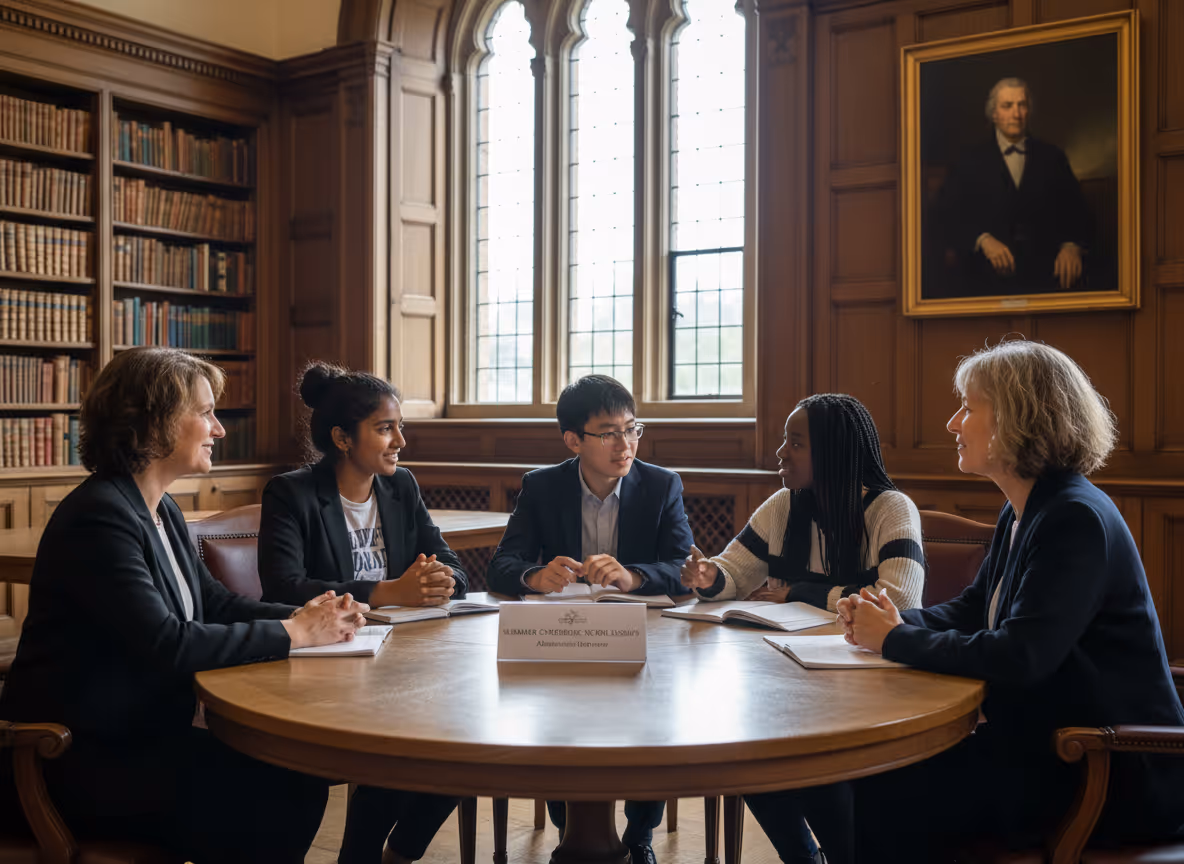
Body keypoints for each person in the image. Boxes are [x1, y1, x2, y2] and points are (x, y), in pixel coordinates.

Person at [0, 347, 367, 864]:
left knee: (298, 779)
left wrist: (312, 619)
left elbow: (212, 603)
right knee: (275, 797)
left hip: (142, 740)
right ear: (152, 422)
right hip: (77, 760)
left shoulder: (159, 505)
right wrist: (295, 633)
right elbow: (167, 642)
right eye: (205, 412)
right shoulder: (98, 518)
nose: (218, 428)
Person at [837, 340, 1184, 861]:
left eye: (968, 408)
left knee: (882, 787)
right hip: (1047, 745)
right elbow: (977, 607)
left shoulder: (1074, 518)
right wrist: (891, 619)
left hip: (1104, 767)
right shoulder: (1028, 506)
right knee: (872, 777)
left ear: (1018, 418)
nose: (953, 424)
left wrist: (895, 640)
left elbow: (1020, 655)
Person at [680, 393, 924, 864]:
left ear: (831, 450)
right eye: (784, 441)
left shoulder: (891, 509)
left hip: (867, 683)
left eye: (796, 443)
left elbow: (899, 603)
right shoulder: (782, 506)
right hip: (789, 674)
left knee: (817, 763)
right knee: (746, 749)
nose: (781, 453)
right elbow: (735, 571)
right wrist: (709, 577)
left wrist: (799, 592)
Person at [258, 361, 467, 864]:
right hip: (329, 665)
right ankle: (360, 852)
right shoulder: (292, 493)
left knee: (465, 738)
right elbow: (283, 586)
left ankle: (398, 852)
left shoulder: (401, 487)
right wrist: (388, 591)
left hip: (406, 658)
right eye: (384, 428)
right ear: (342, 438)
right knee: (404, 740)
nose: (400, 440)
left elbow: (450, 561)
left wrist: (442, 580)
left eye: (400, 426)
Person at [488, 373, 694, 864]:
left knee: (653, 722)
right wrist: (536, 576)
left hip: (647, 639)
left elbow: (685, 572)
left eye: (632, 429)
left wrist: (634, 577)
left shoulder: (662, 485)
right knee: (560, 718)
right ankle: (572, 827)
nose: (625, 445)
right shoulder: (541, 486)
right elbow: (501, 565)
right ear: (573, 440)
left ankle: (639, 835)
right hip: (565, 637)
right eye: (609, 433)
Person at [934, 77, 1091, 295]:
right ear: (994, 114)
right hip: (984, 280)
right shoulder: (968, 161)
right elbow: (945, 215)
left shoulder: (1053, 157)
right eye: (1007, 106)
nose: (1016, 114)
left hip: (1046, 277)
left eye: (1022, 105)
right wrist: (982, 239)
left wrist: (1071, 246)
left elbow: (1078, 211)